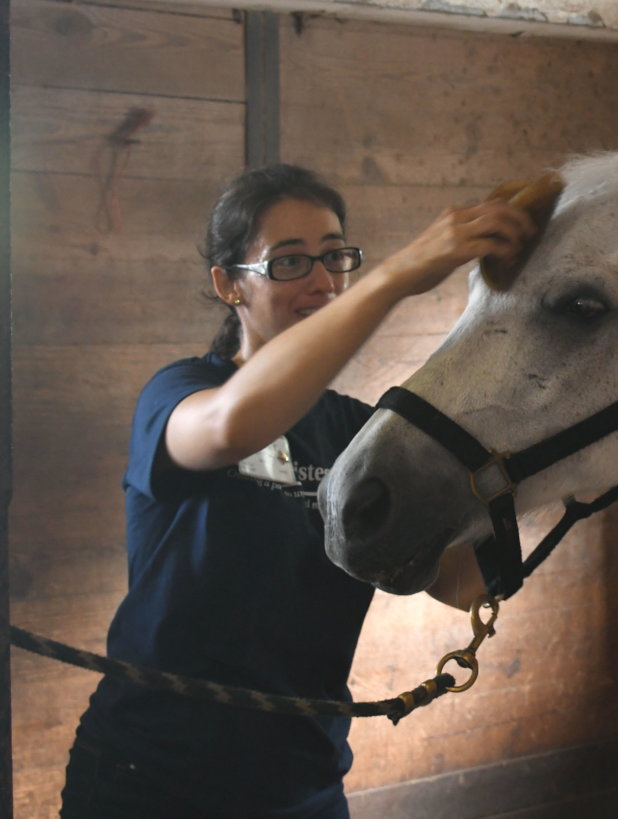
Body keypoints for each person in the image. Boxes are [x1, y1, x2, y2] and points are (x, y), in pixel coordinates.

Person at [59, 164, 535, 818]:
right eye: (289, 262)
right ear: (228, 284)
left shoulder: (357, 433)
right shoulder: (178, 395)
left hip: (301, 787)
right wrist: (398, 276)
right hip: (153, 777)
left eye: (334, 256)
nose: (321, 279)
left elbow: (461, 583)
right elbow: (231, 424)